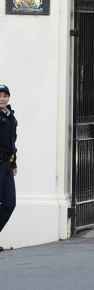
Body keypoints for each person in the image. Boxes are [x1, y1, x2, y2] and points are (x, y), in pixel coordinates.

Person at [0, 84, 17, 251]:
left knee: (9, 203)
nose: (2, 99)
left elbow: (13, 142)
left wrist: (14, 162)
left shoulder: (11, 116)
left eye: (5, 96)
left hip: (6, 164)